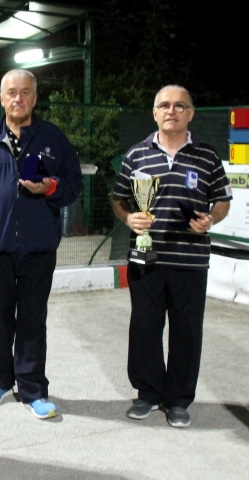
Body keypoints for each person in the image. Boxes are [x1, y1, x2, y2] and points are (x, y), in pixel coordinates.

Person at [0, 69, 83, 419]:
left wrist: (51, 188)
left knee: (31, 320)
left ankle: (33, 389)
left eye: (25, 92)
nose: (18, 98)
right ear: (1, 99)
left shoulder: (52, 138)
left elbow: (74, 182)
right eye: (11, 92)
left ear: (35, 98)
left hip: (39, 249)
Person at [112, 85, 232, 428]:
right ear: (154, 113)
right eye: (164, 105)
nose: (172, 110)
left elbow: (221, 200)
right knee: (145, 328)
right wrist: (128, 217)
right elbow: (119, 198)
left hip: (190, 260)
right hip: (146, 258)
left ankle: (179, 400)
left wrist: (211, 218)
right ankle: (147, 393)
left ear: (190, 114)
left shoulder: (208, 156)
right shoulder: (136, 155)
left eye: (180, 106)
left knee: (187, 331)